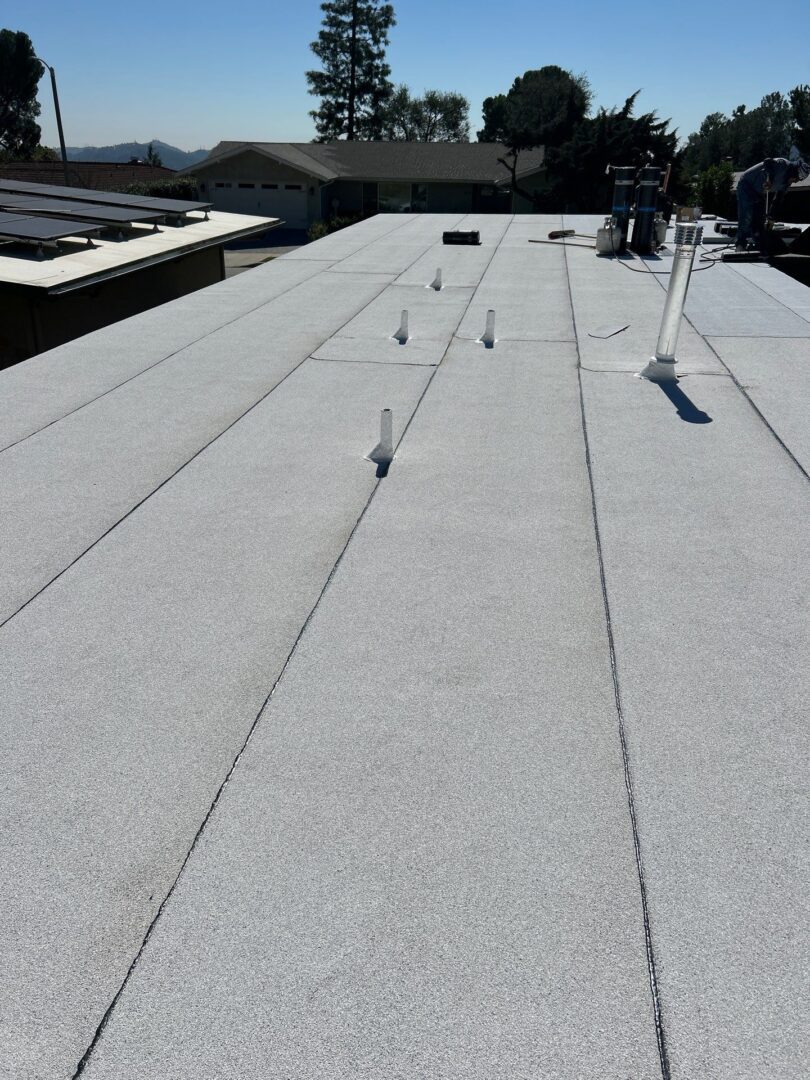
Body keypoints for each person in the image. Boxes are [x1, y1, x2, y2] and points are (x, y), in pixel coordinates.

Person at [736, 157, 810, 250]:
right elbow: (767, 162)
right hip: (746, 185)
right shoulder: (783, 164)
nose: (795, 181)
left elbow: (778, 199)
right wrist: (770, 179)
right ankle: (740, 245)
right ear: (794, 172)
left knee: (760, 218)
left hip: (758, 192)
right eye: (797, 178)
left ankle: (759, 244)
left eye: (799, 180)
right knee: (746, 216)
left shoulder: (786, 183)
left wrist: (771, 217)